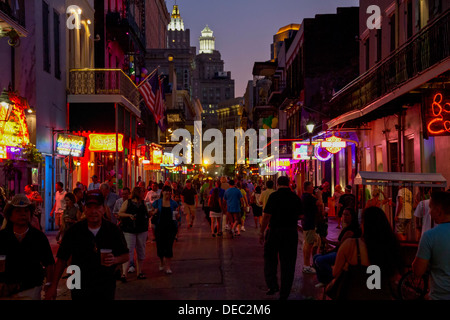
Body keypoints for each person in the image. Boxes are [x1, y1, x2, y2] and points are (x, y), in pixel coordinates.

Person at [46, 190, 129, 300]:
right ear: (85, 209)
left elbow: (125, 255)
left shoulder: (112, 230)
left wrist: (114, 260)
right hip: (78, 282)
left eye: (97, 207)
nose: (93, 211)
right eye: (90, 207)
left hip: (104, 283)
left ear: (103, 209)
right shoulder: (74, 231)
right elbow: (61, 259)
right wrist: (53, 285)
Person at [331, 206, 402, 300]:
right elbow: (395, 276)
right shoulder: (390, 245)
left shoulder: (350, 245)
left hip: (355, 294)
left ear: (364, 224)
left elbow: (335, 273)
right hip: (381, 295)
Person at [0, 194, 55, 300]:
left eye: (26, 211)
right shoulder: (2, 237)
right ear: (10, 215)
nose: (23, 214)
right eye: (18, 211)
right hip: (5, 291)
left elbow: (49, 263)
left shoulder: (38, 237)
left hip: (31, 290)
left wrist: (49, 284)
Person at [259, 176, 303, 300]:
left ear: (277, 184)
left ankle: (272, 286)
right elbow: (301, 215)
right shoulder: (295, 197)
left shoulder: (274, 196)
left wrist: (261, 232)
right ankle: (285, 292)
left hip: (274, 231)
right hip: (290, 232)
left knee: (270, 259)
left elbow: (267, 215)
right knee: (288, 263)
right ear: (289, 184)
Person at [412, 191, 450, 300]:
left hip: (439, 296)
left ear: (438, 211)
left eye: (430, 208)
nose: (429, 212)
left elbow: (418, 271)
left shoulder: (429, 236)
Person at [313, 207, 361, 288]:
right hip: (339, 251)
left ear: (352, 216)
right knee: (316, 257)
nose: (344, 216)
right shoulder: (346, 227)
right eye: (343, 214)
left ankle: (333, 279)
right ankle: (323, 280)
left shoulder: (351, 229)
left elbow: (341, 244)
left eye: (347, 215)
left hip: (345, 255)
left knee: (319, 260)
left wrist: (327, 241)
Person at [118, 187, 150, 282]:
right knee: (129, 251)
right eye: (142, 192)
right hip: (129, 230)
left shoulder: (144, 203)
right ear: (137, 193)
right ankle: (124, 273)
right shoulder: (128, 202)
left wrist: (152, 213)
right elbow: (120, 213)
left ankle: (139, 272)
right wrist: (129, 215)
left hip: (142, 229)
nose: (143, 194)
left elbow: (148, 214)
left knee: (141, 250)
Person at [151, 185, 179, 274]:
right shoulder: (157, 202)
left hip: (170, 227)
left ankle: (168, 266)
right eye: (166, 191)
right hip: (159, 227)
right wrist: (154, 212)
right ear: (162, 192)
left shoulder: (173, 203)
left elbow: (176, 215)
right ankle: (161, 261)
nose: (168, 193)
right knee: (160, 246)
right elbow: (150, 211)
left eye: (169, 191)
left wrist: (178, 219)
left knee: (169, 246)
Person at [301, 181, 318, 274]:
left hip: (306, 222)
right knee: (309, 244)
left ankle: (306, 265)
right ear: (308, 187)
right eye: (312, 186)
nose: (313, 188)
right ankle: (306, 265)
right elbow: (319, 204)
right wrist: (319, 196)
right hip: (309, 222)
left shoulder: (304, 196)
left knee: (307, 243)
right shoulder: (309, 197)